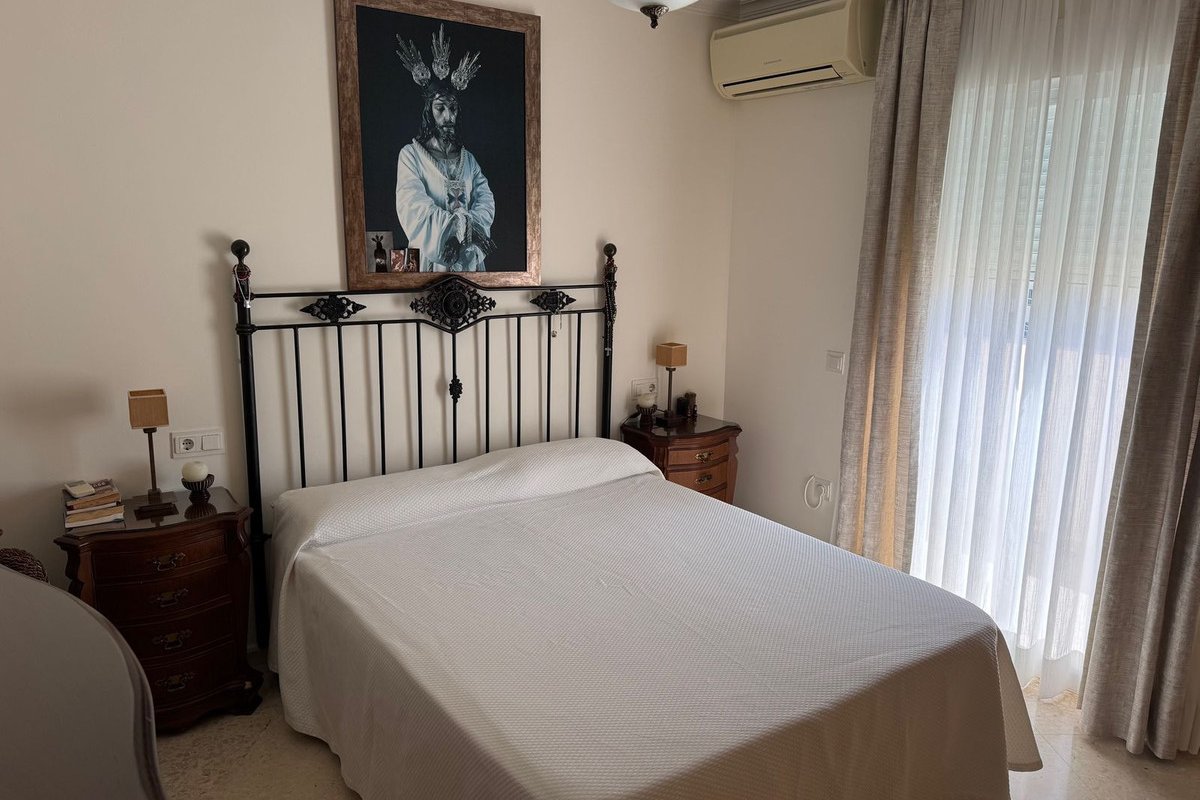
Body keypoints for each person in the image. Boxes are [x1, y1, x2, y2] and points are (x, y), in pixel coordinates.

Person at [395, 26, 496, 272]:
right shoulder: (411, 155)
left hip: (468, 258)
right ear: (429, 112)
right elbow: (413, 205)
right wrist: (453, 231)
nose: (448, 116)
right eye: (440, 108)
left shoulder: (468, 160)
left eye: (453, 108)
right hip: (432, 256)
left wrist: (468, 232)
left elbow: (485, 200)